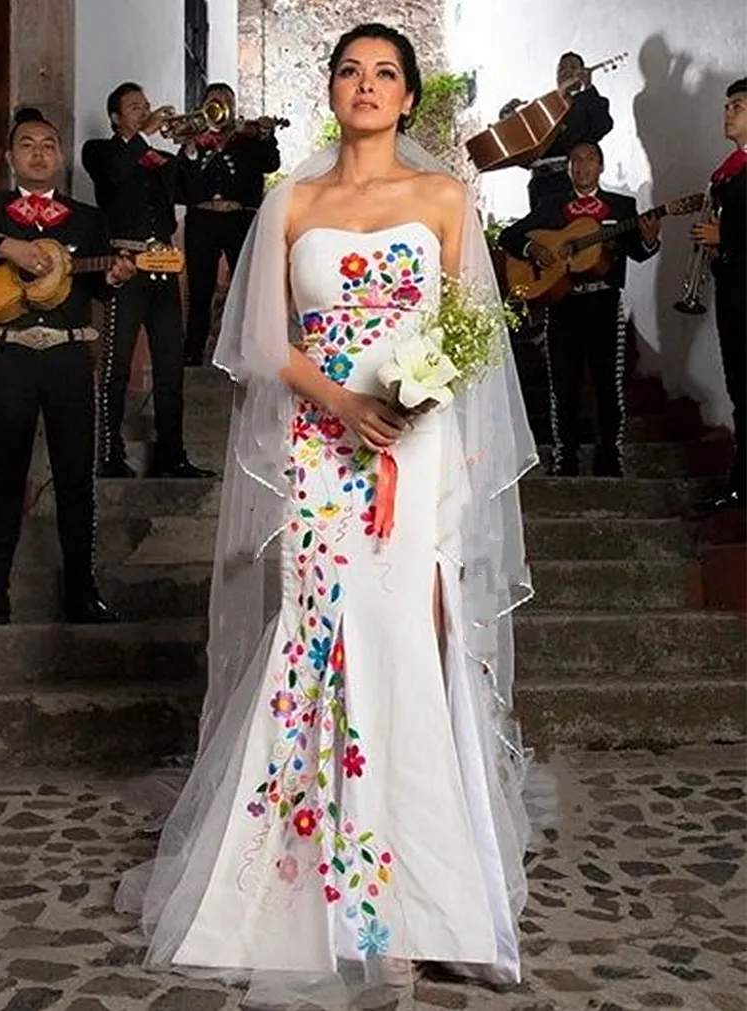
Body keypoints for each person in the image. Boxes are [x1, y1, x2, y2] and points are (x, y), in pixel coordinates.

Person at [115, 22, 540, 1009]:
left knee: (411, 652)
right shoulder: (293, 202)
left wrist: (420, 397)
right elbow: (263, 341)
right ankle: (330, 900)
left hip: (417, 449)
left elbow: (471, 335)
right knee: (321, 642)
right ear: (333, 89)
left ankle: (432, 908)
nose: (366, 85)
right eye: (350, 70)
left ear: (408, 95)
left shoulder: (443, 199)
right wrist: (344, 402)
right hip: (323, 448)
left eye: (385, 72)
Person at [0, 108, 135, 625]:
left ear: (61, 157)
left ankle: (82, 595)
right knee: (3, 479)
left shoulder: (87, 219)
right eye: (27, 144)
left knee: (76, 478)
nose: (38, 153)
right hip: (10, 355)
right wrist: (7, 246)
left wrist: (115, 276)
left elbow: (98, 286)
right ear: (9, 157)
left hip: (68, 358)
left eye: (48, 145)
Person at [498, 141, 661, 477]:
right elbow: (509, 236)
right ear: (569, 168)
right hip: (563, 304)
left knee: (607, 383)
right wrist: (532, 248)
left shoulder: (622, 206)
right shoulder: (552, 205)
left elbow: (639, 251)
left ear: (601, 166)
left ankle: (610, 457)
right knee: (563, 384)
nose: (583, 166)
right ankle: (565, 458)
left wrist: (649, 240)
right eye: (576, 160)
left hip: (604, 303)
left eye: (590, 159)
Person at [82, 83, 213, 479]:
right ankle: (110, 454)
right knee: (117, 364)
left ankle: (171, 455)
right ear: (116, 118)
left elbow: (194, 192)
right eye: (135, 107)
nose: (145, 112)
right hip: (124, 265)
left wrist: (190, 150)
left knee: (171, 366)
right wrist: (143, 134)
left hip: (165, 267)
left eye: (146, 106)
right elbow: (115, 176)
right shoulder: (100, 151)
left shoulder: (161, 159)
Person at [181, 82, 282, 365]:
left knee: (246, 287)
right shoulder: (195, 139)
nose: (221, 106)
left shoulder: (248, 139)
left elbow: (271, 163)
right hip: (202, 221)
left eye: (227, 101)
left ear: (234, 107)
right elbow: (183, 181)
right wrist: (189, 148)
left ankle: (247, 352)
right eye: (214, 101)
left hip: (239, 219)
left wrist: (266, 135)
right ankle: (193, 352)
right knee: (199, 289)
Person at [692, 77, 746, 510]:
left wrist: (725, 235)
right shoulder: (730, 170)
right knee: (740, 389)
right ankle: (741, 484)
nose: (727, 113)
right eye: (727, 106)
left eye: (738, 106)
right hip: (733, 289)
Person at [501, 52, 614, 211]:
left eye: (573, 67)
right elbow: (525, 146)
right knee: (541, 226)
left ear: (583, 72)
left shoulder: (588, 101)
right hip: (539, 184)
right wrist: (508, 120)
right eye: (561, 68)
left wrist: (588, 87)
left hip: (570, 182)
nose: (566, 71)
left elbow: (602, 126)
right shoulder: (543, 108)